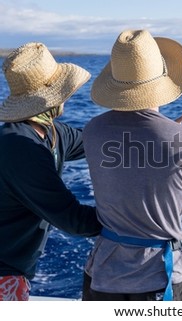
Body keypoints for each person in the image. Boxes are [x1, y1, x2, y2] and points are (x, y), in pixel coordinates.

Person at [81, 29, 182, 301]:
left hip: (102, 278)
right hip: (160, 284)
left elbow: (130, 161)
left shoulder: (92, 131)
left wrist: (162, 138)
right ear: (162, 79)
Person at [0, 42, 102, 300]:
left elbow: (101, 145)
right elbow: (71, 218)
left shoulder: (52, 131)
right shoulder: (20, 147)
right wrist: (130, 221)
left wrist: (160, 137)